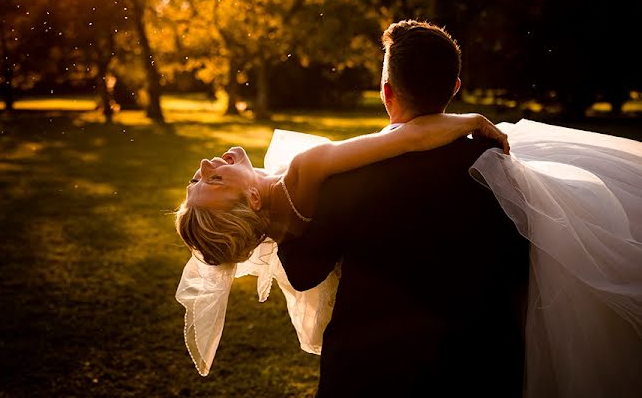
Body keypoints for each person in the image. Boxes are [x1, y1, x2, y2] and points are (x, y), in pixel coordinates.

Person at [174, 20, 642, 397]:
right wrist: (474, 122)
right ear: (454, 87)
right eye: (211, 179)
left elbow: (305, 268)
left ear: (385, 93)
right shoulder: (313, 170)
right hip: (483, 363)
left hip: (369, 372)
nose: (205, 164)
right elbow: (412, 137)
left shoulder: (294, 230)